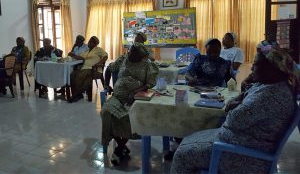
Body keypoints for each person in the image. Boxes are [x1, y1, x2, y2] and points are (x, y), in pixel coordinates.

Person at [171, 48, 299, 174]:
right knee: (188, 140)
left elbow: (233, 120)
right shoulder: (271, 85)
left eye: (255, 65)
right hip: (242, 142)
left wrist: (232, 106)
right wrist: (237, 100)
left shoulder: (271, 96)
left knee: (181, 155)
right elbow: (245, 94)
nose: (252, 69)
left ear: (272, 68)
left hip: (245, 156)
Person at [101, 43, 159, 165]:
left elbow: (149, 84)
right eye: (130, 52)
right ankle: (122, 146)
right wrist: (106, 85)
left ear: (141, 56)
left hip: (136, 99)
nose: (131, 55)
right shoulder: (123, 59)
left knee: (128, 117)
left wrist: (135, 92)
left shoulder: (147, 65)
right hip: (117, 97)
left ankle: (120, 148)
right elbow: (109, 69)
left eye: (135, 54)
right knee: (106, 112)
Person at [69, 36, 108, 102]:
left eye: (91, 42)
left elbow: (105, 56)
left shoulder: (98, 49)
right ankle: (77, 94)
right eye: (89, 42)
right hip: (84, 68)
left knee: (80, 75)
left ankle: (75, 95)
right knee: (72, 75)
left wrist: (99, 63)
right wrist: (73, 55)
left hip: (95, 70)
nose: (89, 43)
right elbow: (81, 57)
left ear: (95, 44)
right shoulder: (87, 51)